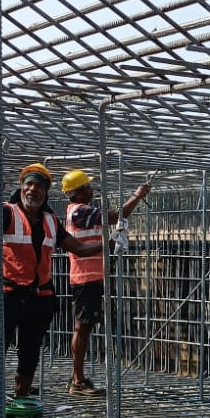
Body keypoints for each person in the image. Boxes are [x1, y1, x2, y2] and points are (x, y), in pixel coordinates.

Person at [0, 163, 103, 418]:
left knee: (29, 357)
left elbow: (78, 248)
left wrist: (109, 245)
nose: (33, 190)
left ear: (46, 192)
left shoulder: (51, 220)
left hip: (40, 298)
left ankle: (19, 408)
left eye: (39, 186)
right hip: (9, 296)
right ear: (21, 187)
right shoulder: (8, 212)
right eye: (28, 184)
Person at [60, 168, 150, 395]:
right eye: (88, 187)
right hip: (85, 278)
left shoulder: (81, 211)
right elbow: (118, 215)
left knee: (84, 326)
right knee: (83, 327)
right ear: (79, 191)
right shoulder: (80, 211)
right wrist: (138, 195)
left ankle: (77, 378)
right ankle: (77, 381)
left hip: (91, 277)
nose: (92, 190)